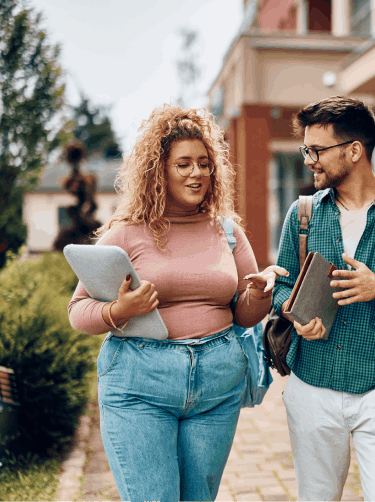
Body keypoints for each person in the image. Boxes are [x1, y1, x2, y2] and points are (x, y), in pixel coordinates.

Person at [67, 105, 286, 502]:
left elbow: (244, 314)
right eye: (183, 163)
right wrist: (120, 311)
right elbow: (78, 311)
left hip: (217, 383)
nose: (197, 173)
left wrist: (259, 296)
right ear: (159, 170)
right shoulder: (127, 232)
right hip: (140, 383)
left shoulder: (227, 230)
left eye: (204, 163)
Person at [272, 96, 375, 501]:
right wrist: (295, 318)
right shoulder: (303, 214)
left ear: (354, 150)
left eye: (317, 150)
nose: (309, 159)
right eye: (306, 149)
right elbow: (281, 288)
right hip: (312, 385)